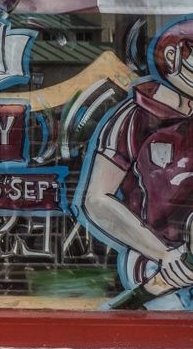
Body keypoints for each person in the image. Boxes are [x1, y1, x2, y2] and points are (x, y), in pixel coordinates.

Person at [79, 18, 193, 309]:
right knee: (164, 330)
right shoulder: (136, 117)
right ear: (174, 56)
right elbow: (97, 199)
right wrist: (164, 255)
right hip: (154, 262)